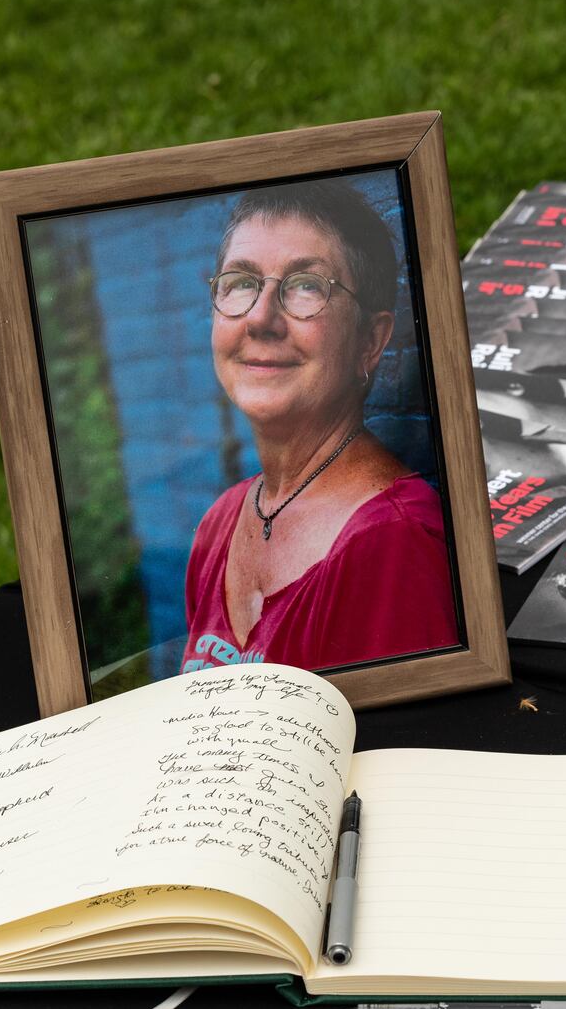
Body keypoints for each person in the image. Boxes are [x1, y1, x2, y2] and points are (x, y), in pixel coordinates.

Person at [181, 180, 456, 674]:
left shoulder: (394, 544)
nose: (261, 319)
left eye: (307, 285)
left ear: (370, 341)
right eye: (240, 282)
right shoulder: (218, 526)